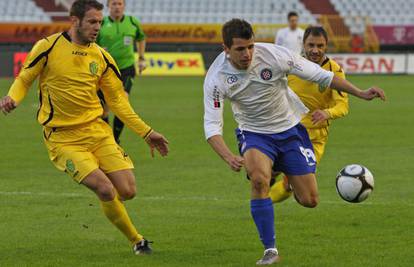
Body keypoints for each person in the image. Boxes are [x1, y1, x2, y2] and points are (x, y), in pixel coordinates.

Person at [203, 19, 384, 265]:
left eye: (250, 47)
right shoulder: (216, 79)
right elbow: (212, 125)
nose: (247, 54)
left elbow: (322, 76)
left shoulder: (274, 55)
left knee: (310, 200)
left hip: (290, 131)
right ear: (225, 48)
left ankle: (281, 169)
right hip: (254, 132)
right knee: (258, 180)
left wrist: (361, 92)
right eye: (240, 49)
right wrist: (227, 156)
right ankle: (270, 250)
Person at [0, 0, 168, 255]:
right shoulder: (48, 47)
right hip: (62, 138)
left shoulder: (101, 57)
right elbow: (24, 79)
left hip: (97, 132)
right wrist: (13, 98)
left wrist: (147, 132)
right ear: (74, 20)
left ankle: (111, 203)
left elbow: (119, 103)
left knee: (128, 190)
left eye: (100, 22)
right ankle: (137, 240)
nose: (97, 27)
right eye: (92, 22)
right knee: (104, 187)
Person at [270, 26, 349, 203]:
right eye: (311, 45)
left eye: (320, 45)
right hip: (285, 131)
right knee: (262, 173)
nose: (315, 50)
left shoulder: (334, 71)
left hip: (314, 138)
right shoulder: (290, 65)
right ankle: (263, 195)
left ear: (327, 45)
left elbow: (343, 106)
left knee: (295, 189)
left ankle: (265, 200)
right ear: (303, 44)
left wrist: (327, 113)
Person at [96, 0, 147, 144]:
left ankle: (115, 140)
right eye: (114, 4)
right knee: (104, 110)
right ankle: (107, 141)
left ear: (124, 6)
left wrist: (142, 57)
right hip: (105, 71)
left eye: (119, 4)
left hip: (126, 69)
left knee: (122, 102)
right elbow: (91, 44)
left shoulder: (132, 22)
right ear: (108, 6)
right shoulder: (101, 24)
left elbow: (141, 38)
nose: (117, 7)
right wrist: (99, 50)